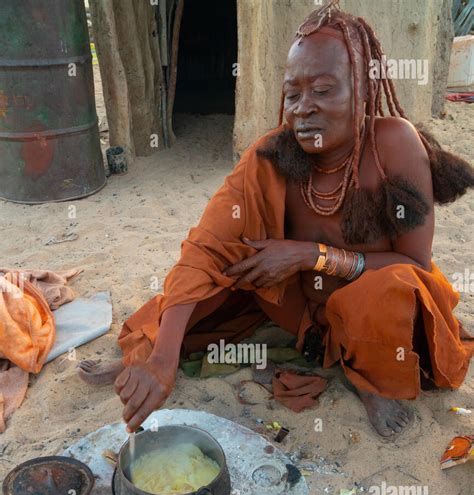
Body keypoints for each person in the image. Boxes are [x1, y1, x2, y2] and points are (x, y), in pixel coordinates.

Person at [79, 1, 473, 437]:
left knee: (384, 293)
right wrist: (163, 361)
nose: (303, 107)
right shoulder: (271, 155)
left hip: (377, 313)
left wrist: (311, 256)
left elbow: (415, 265)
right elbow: (206, 248)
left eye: (323, 90)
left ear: (362, 88)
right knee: (220, 272)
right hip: (300, 314)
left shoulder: (395, 144)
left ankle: (371, 382)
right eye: (292, 93)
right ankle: (151, 354)